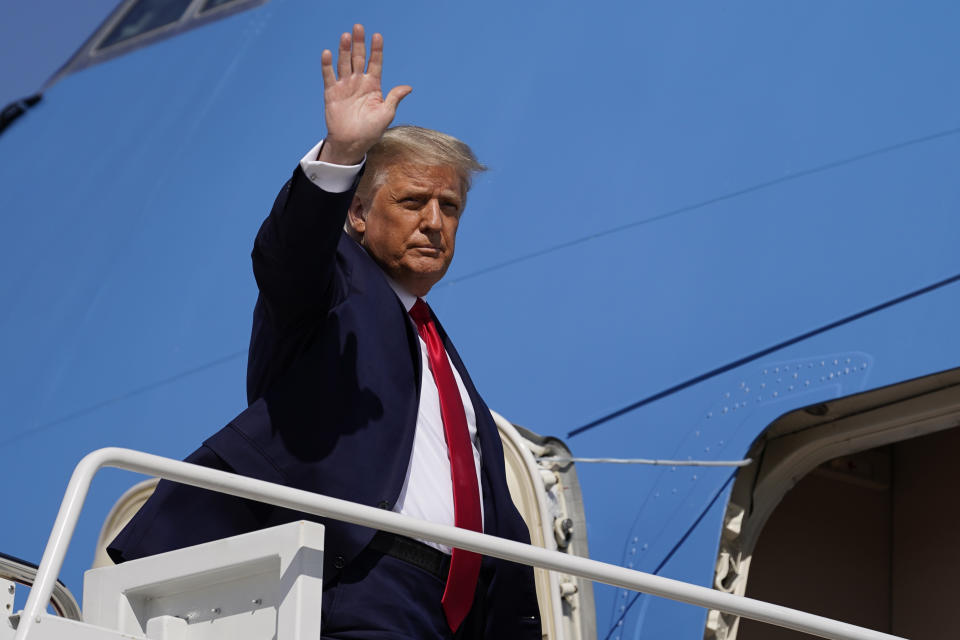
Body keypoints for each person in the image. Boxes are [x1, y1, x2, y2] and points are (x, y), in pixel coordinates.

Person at [108, 24, 541, 640]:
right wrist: (341, 156)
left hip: (452, 612)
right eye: (414, 201)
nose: (435, 223)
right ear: (358, 215)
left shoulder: (439, 355)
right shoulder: (335, 286)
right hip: (355, 580)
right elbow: (290, 254)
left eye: (450, 208)